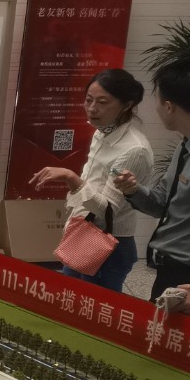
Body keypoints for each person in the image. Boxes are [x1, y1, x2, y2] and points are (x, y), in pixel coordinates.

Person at [111, 57, 190, 324]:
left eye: (157, 99)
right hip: (174, 273)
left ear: (169, 106)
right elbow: (163, 202)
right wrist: (133, 190)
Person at [29, 68, 153, 291]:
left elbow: (108, 211)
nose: (92, 108)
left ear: (126, 105)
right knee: (71, 300)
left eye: (102, 102)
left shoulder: (134, 149)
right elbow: (92, 181)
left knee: (95, 307)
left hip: (109, 244)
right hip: (83, 233)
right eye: (88, 100)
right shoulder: (102, 132)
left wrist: (71, 179)